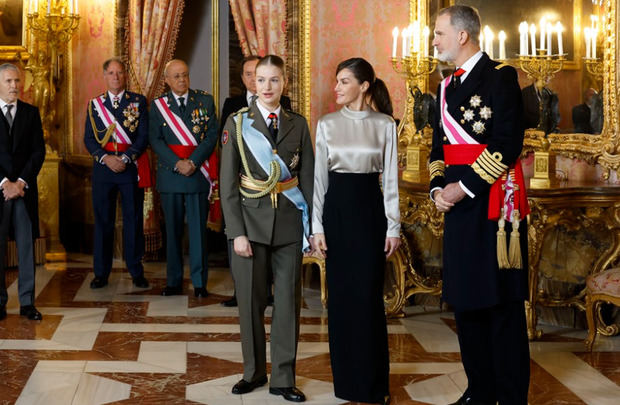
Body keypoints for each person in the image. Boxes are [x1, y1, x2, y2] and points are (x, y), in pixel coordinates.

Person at [430, 5, 530, 405]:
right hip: (457, 207)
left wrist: (461, 187)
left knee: (501, 305)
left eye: (438, 33)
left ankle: (509, 396)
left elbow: (507, 144)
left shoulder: (501, 77)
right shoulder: (445, 85)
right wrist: (439, 187)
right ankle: (479, 390)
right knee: (466, 301)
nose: (434, 41)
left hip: (492, 205)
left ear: (462, 36)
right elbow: (440, 146)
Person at [220, 55, 314, 402]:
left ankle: (284, 378)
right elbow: (228, 184)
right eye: (262, 80)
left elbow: (307, 179)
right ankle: (253, 373)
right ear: (252, 83)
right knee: (250, 303)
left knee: (288, 304)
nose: (268, 87)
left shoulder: (298, 124)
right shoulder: (236, 123)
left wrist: (312, 227)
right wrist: (237, 233)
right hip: (250, 226)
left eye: (275, 80)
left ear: (284, 83)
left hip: (289, 225)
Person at [311, 57, 400, 405]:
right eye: (336, 81)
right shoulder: (327, 124)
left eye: (344, 81)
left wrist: (393, 226)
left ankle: (375, 386)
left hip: (370, 215)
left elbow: (390, 180)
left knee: (368, 299)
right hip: (336, 215)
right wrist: (316, 226)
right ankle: (347, 384)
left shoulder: (384, 124)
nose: (336, 88)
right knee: (342, 301)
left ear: (364, 86)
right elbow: (319, 179)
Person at [219, 55, 291, 308]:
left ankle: (268, 291)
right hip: (248, 200)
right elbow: (228, 161)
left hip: (282, 205)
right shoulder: (234, 112)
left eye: (272, 79)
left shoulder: (292, 116)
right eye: (256, 77)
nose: (262, 84)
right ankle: (242, 292)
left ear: (283, 82)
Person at [149, 59, 218, 297]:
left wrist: (193, 162)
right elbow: (155, 140)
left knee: (198, 233)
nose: (182, 80)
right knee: (173, 232)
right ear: (166, 80)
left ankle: (200, 283)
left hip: (197, 174)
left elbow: (211, 137)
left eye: (185, 75)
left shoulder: (205, 101)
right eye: (176, 76)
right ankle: (173, 281)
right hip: (171, 175)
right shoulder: (158, 106)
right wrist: (177, 163)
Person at [83, 57, 151, 290]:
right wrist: (106, 158)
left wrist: (124, 158)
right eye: (111, 73)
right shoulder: (95, 105)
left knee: (133, 221)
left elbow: (143, 136)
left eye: (119, 73)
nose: (115, 77)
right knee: (103, 222)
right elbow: (89, 139)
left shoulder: (138, 102)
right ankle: (101, 273)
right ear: (105, 76)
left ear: (125, 76)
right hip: (103, 170)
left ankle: (135, 270)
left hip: (128, 168)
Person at [0, 63, 45, 321]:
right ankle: (0, 302)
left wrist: (20, 182)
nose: (14, 86)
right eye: (8, 81)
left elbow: (38, 151)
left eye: (17, 80)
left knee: (26, 247)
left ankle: (27, 302)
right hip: (0, 190)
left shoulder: (31, 113)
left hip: (23, 191)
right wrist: (4, 182)